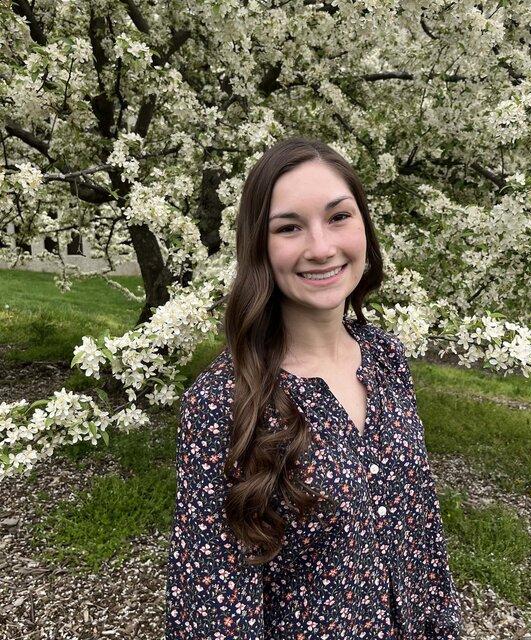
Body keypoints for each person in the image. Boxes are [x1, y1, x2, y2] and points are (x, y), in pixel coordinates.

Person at [165, 137, 463, 639]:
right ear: (259, 246)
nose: (321, 248)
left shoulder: (386, 358)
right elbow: (212, 609)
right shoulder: (223, 402)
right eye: (289, 227)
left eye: (339, 217)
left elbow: (421, 535)